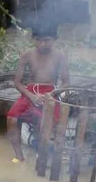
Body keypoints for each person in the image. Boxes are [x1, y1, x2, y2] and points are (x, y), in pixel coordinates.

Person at [6, 23, 70, 163]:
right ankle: (19, 156)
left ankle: (42, 155)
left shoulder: (60, 56)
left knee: (45, 123)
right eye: (38, 40)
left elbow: (66, 83)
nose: (42, 44)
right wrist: (32, 96)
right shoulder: (27, 55)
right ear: (33, 39)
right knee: (12, 119)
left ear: (54, 39)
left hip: (51, 93)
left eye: (47, 40)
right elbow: (17, 82)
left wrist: (51, 94)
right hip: (30, 92)